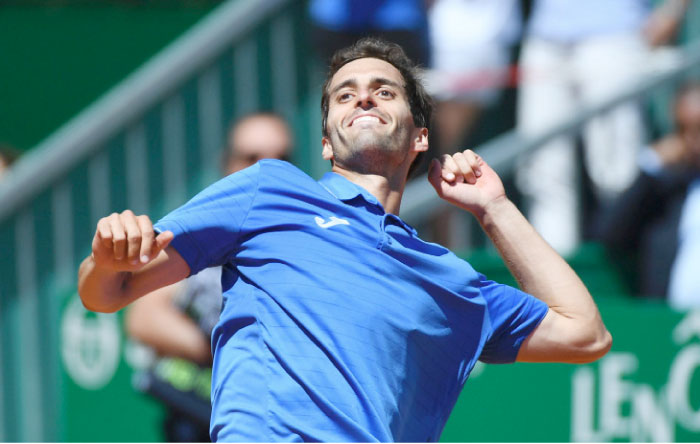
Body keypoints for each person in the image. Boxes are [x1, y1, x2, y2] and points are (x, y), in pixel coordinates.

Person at [78, 38, 611, 442]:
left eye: (385, 91)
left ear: (419, 136)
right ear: (328, 142)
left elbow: (585, 334)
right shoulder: (271, 188)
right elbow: (108, 292)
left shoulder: (452, 279)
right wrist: (105, 260)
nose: (364, 100)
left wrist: (494, 208)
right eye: (344, 95)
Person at [125, 112, 294, 442]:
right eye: (252, 157)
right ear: (226, 164)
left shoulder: (311, 235)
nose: (267, 169)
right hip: (205, 418)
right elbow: (143, 317)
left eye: (282, 159)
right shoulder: (205, 232)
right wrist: (227, 349)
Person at [516, 0, 689, 255]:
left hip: (617, 32)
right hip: (544, 34)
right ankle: (550, 268)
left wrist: (673, 11)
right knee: (543, 169)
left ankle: (625, 260)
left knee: (616, 170)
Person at [596, 82, 700, 309]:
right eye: (683, 130)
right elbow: (610, 234)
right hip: (670, 332)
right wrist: (650, 166)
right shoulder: (666, 192)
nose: (693, 141)